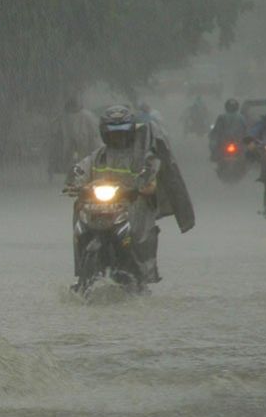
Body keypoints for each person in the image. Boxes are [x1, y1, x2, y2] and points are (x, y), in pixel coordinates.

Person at [68, 105, 195, 284]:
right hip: (99, 210)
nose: (117, 136)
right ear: (104, 133)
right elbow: (81, 169)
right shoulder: (99, 156)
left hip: (131, 211)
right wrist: (74, 182)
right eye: (112, 132)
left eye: (121, 131)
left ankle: (139, 274)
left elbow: (151, 175)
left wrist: (143, 187)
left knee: (138, 241)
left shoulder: (143, 157)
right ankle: (82, 274)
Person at [46, 96, 100, 182]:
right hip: (70, 142)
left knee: (87, 159)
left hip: (83, 141)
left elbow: (94, 130)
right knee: (69, 159)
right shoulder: (64, 116)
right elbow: (56, 128)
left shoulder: (86, 116)